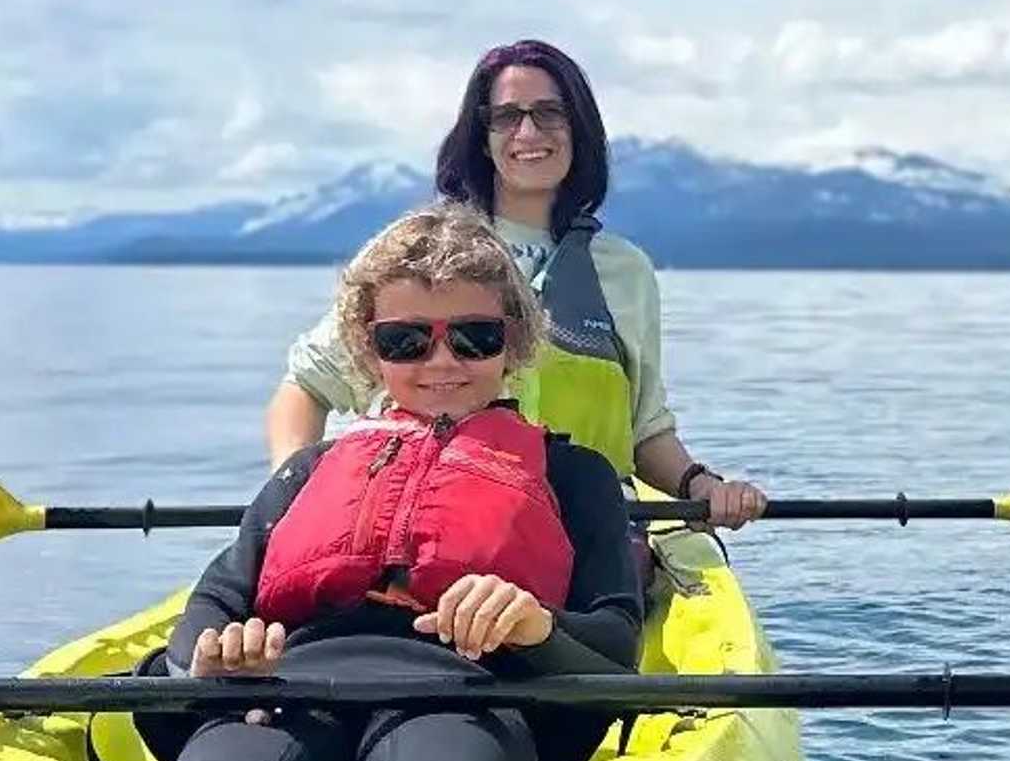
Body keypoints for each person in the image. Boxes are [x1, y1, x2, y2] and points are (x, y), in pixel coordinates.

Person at [14, 203, 644, 761]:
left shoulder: (574, 475)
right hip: (279, 701)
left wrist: (535, 627)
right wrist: (214, 657)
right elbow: (213, 602)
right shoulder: (311, 470)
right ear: (370, 352)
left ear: (514, 342)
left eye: (473, 337)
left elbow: (616, 650)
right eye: (407, 341)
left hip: (463, 701)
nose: (442, 362)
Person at [265, 38, 766, 529]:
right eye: (507, 116)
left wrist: (700, 484)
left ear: (579, 130)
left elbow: (644, 430)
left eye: (549, 113)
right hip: (430, 527)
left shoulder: (625, 271)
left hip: (591, 540)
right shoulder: (420, 252)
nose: (528, 131)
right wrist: (293, 494)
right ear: (482, 136)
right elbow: (307, 386)